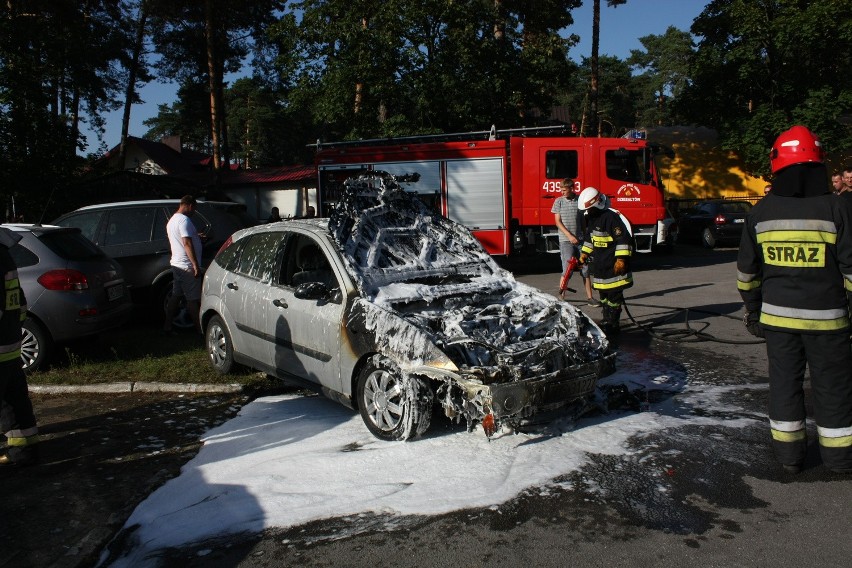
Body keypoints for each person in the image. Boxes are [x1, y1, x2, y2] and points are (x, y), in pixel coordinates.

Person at [737, 125, 852, 474]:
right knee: (832, 390)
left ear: (777, 164)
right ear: (819, 163)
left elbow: (747, 274)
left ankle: (789, 459)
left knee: (784, 387)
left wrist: (754, 314)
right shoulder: (837, 208)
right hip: (829, 322)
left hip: (778, 323)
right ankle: (839, 460)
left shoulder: (760, 212)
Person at [0, 227, 39, 466]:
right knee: (14, 400)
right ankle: (24, 451)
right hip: (11, 343)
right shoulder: (5, 255)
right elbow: (19, 301)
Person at [577, 187, 633, 334]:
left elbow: (623, 239)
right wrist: (584, 254)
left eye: (589, 209)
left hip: (614, 267)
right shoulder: (592, 219)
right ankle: (607, 319)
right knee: (604, 297)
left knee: (614, 297)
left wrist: (621, 259)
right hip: (601, 267)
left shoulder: (610, 218)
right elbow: (590, 240)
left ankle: (613, 323)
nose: (587, 212)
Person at [552, 179, 598, 306]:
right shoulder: (558, 201)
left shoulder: (579, 201)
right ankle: (561, 296)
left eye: (564, 190)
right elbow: (557, 222)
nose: (562, 192)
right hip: (566, 241)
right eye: (561, 190)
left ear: (572, 188)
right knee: (567, 269)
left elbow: (583, 221)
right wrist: (569, 236)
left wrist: (585, 236)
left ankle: (590, 298)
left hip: (580, 240)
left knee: (585, 269)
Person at [163, 195, 203, 335]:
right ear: (190, 205)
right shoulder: (184, 220)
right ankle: (200, 331)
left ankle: (167, 326)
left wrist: (196, 235)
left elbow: (183, 238)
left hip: (176, 264)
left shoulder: (172, 220)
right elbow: (186, 243)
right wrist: (195, 265)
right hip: (186, 266)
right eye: (194, 208)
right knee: (192, 299)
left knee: (176, 296)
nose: (194, 212)